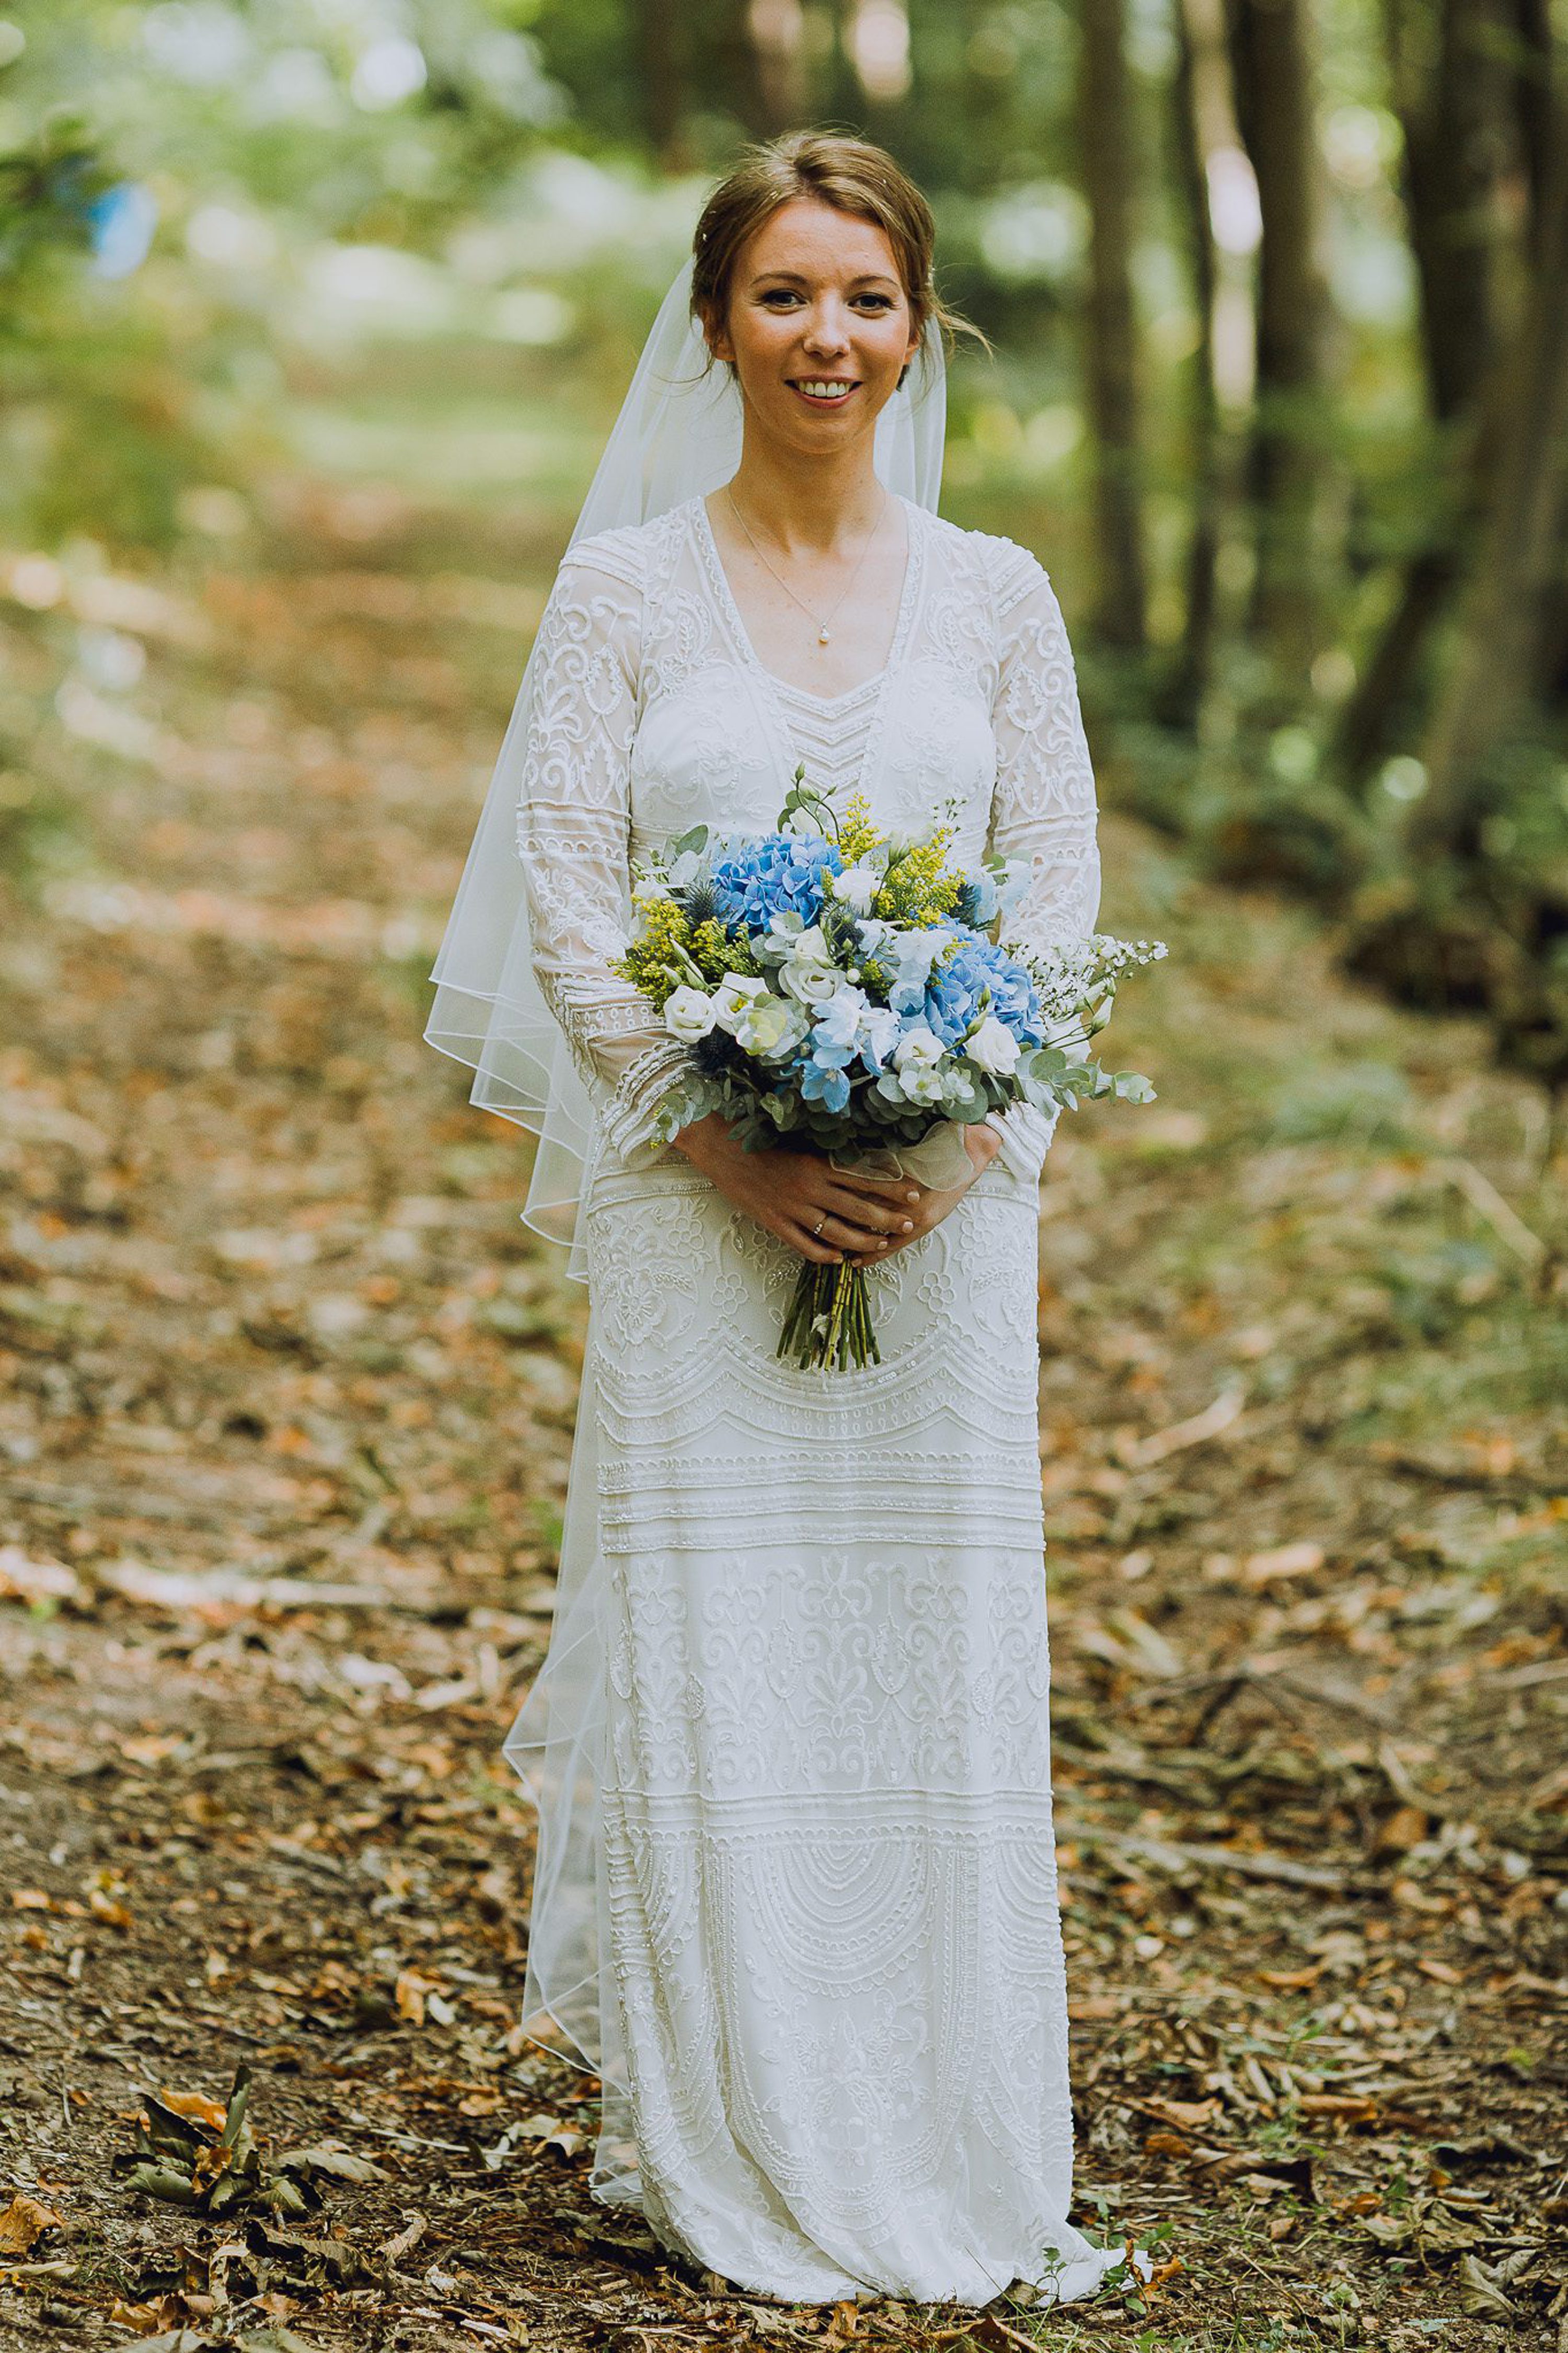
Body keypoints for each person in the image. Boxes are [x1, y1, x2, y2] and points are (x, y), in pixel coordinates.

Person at [425, 129, 1147, 2311]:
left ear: (919, 327)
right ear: (717, 322)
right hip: (694, 1197)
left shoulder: (998, 596)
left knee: (922, 1664)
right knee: (721, 1649)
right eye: (784, 296)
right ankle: (729, 2120)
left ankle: (942, 2118)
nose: (827, 337)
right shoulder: (626, 593)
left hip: (945, 1223)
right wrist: (730, 1143)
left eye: (866, 297)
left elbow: (1055, 895)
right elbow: (568, 895)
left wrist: (953, 1141)